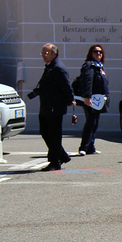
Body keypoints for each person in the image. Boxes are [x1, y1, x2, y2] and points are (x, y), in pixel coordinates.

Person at [31, 43, 76, 171]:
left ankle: (55, 161)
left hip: (54, 107)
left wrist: (70, 100)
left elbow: (66, 86)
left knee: (54, 134)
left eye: (46, 53)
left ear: (54, 53)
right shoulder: (50, 67)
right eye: (42, 53)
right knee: (45, 132)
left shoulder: (58, 68)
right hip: (47, 105)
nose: (43, 56)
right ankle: (62, 155)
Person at [78, 44, 110, 156]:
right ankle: (83, 147)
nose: (98, 54)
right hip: (91, 99)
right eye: (95, 52)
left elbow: (104, 84)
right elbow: (87, 81)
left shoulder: (100, 66)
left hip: (99, 100)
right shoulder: (89, 65)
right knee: (90, 122)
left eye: (100, 52)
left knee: (95, 123)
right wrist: (87, 97)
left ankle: (91, 147)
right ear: (90, 54)